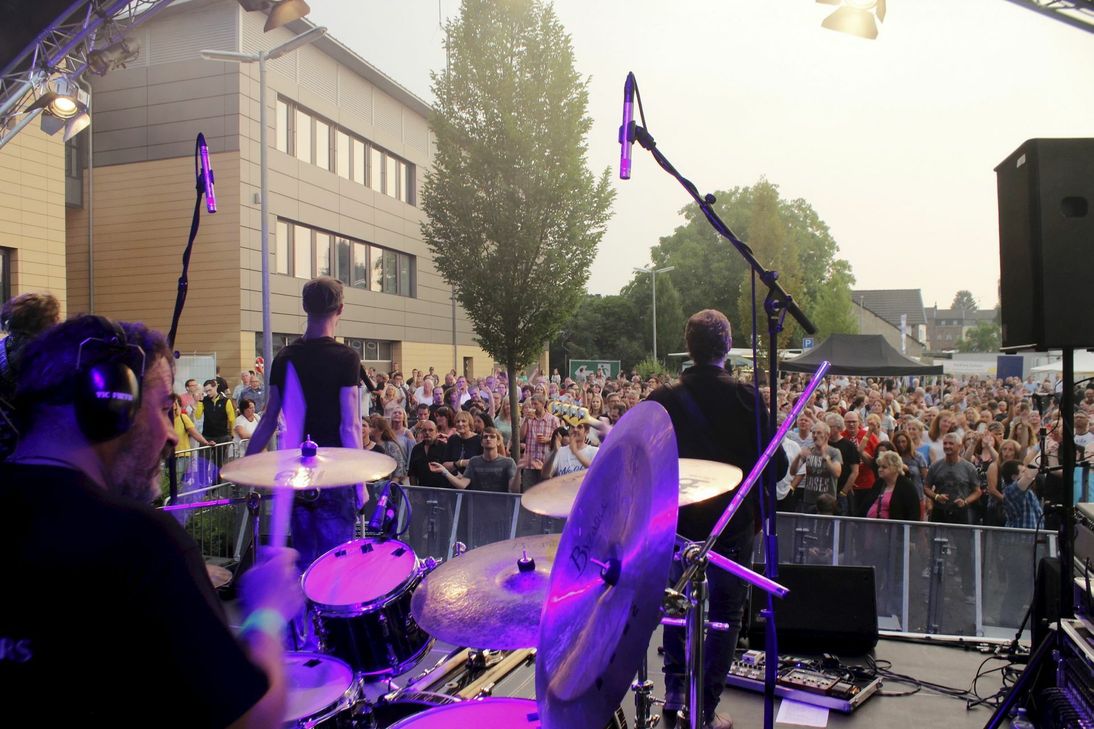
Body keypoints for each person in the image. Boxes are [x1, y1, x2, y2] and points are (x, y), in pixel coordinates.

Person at [0, 315, 302, 726]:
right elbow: (255, 717)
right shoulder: (139, 542)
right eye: (162, 409)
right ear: (110, 403)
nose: (172, 434)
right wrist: (267, 611)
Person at [646, 309, 787, 729]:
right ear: (728, 348)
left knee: (676, 606)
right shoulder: (747, 399)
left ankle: (673, 694)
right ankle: (703, 708)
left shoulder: (662, 399)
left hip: (675, 527)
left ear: (688, 347)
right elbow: (775, 467)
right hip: (732, 526)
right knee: (724, 618)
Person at [246, 276, 365, 572]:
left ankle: (304, 619)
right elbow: (349, 426)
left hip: (299, 473)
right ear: (341, 309)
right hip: (336, 475)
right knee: (335, 567)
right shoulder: (346, 358)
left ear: (304, 307)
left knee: (305, 564)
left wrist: (246, 466)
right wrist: (360, 484)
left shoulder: (285, 356)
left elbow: (269, 418)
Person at [428, 427, 520, 493]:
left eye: (492, 437)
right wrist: (444, 471)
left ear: (499, 442)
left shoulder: (508, 462)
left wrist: (519, 469)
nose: (488, 439)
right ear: (481, 442)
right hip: (477, 510)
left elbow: (514, 489)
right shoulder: (474, 461)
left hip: (501, 511)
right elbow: (462, 485)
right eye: (485, 437)